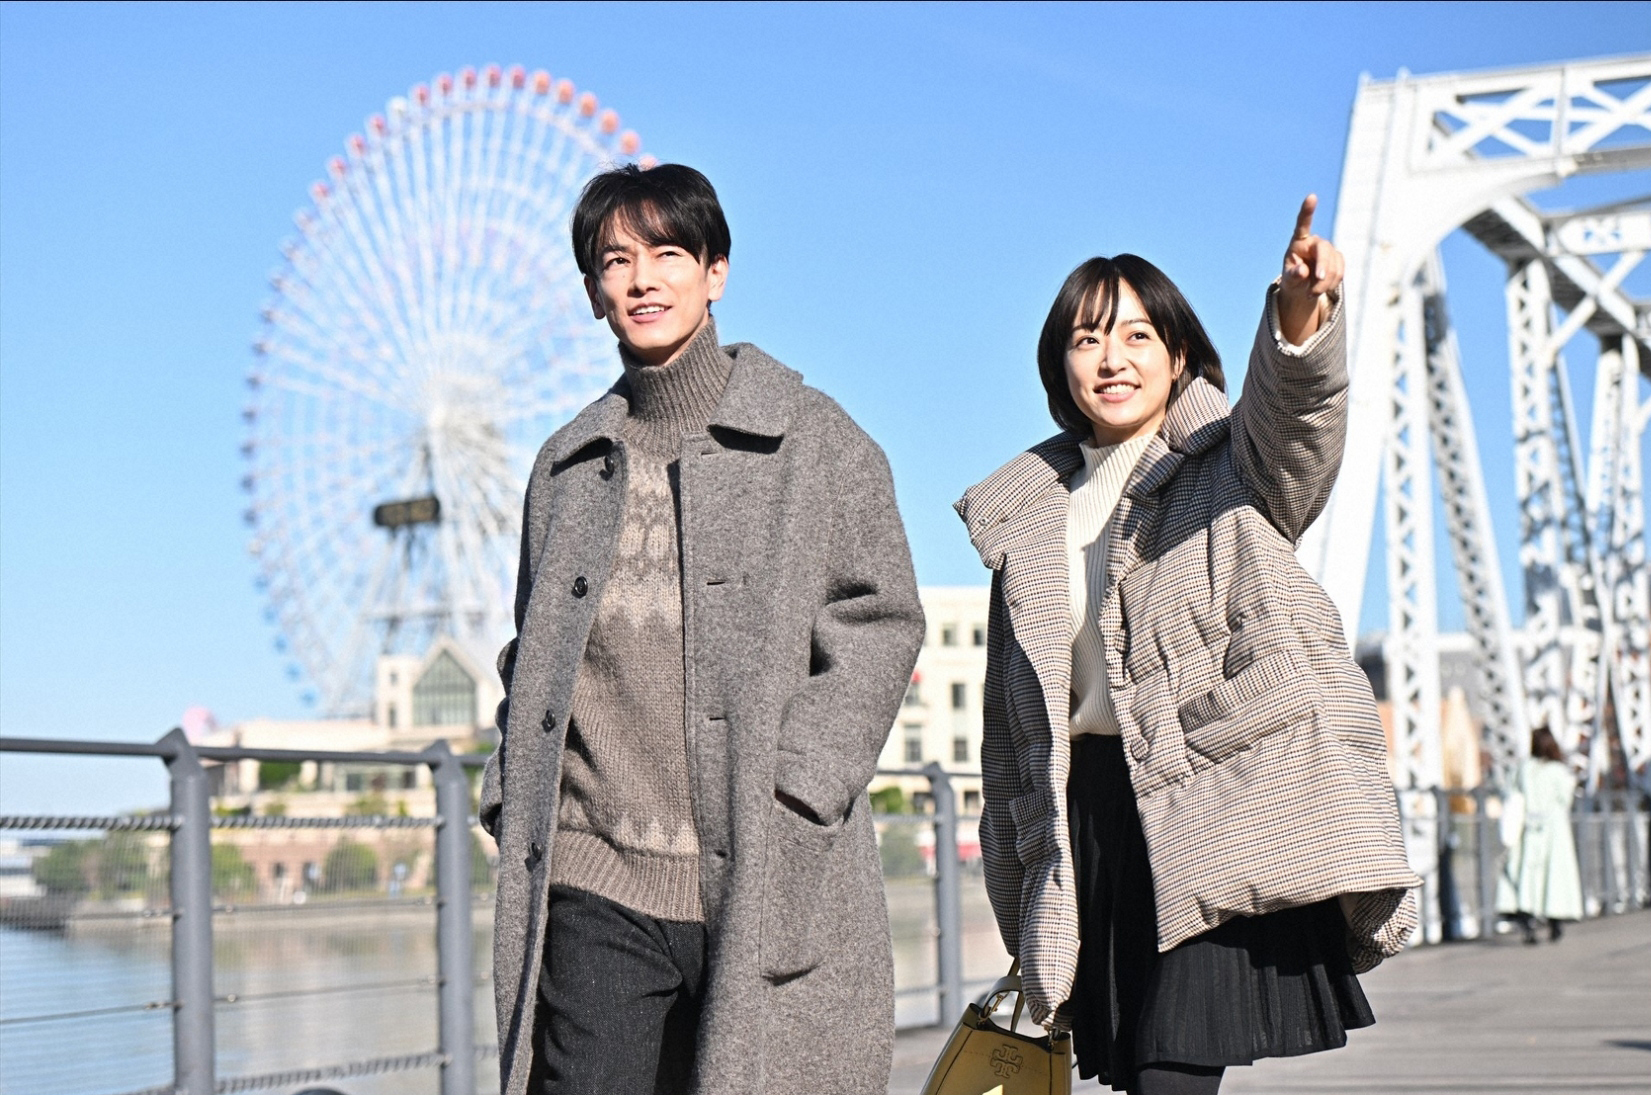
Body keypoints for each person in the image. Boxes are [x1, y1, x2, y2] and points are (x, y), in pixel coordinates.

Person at [954, 197, 1420, 1095]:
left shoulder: (1231, 466)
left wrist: (1299, 317)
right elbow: (1011, 734)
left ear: (1177, 356)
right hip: (1093, 821)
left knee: (1170, 1071)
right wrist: (1022, 891)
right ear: (1059, 365)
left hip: (1217, 803)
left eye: (1136, 336)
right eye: (1087, 339)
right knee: (1138, 1072)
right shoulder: (1023, 519)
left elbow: (1298, 420)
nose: (1111, 358)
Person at [479, 163, 925, 1095]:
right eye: (615, 261)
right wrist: (505, 788)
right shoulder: (565, 468)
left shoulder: (815, 441)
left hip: (763, 864)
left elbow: (880, 620)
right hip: (595, 873)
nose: (642, 279)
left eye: (668, 254)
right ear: (594, 293)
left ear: (715, 271)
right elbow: (533, 654)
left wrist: (799, 788)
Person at [1497, 725, 1583, 943]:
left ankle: (1528, 922)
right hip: (1554, 830)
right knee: (1554, 876)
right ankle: (1555, 922)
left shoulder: (1523, 768)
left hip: (1528, 829)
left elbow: (1511, 793)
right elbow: (1566, 799)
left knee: (1527, 876)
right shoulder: (1558, 771)